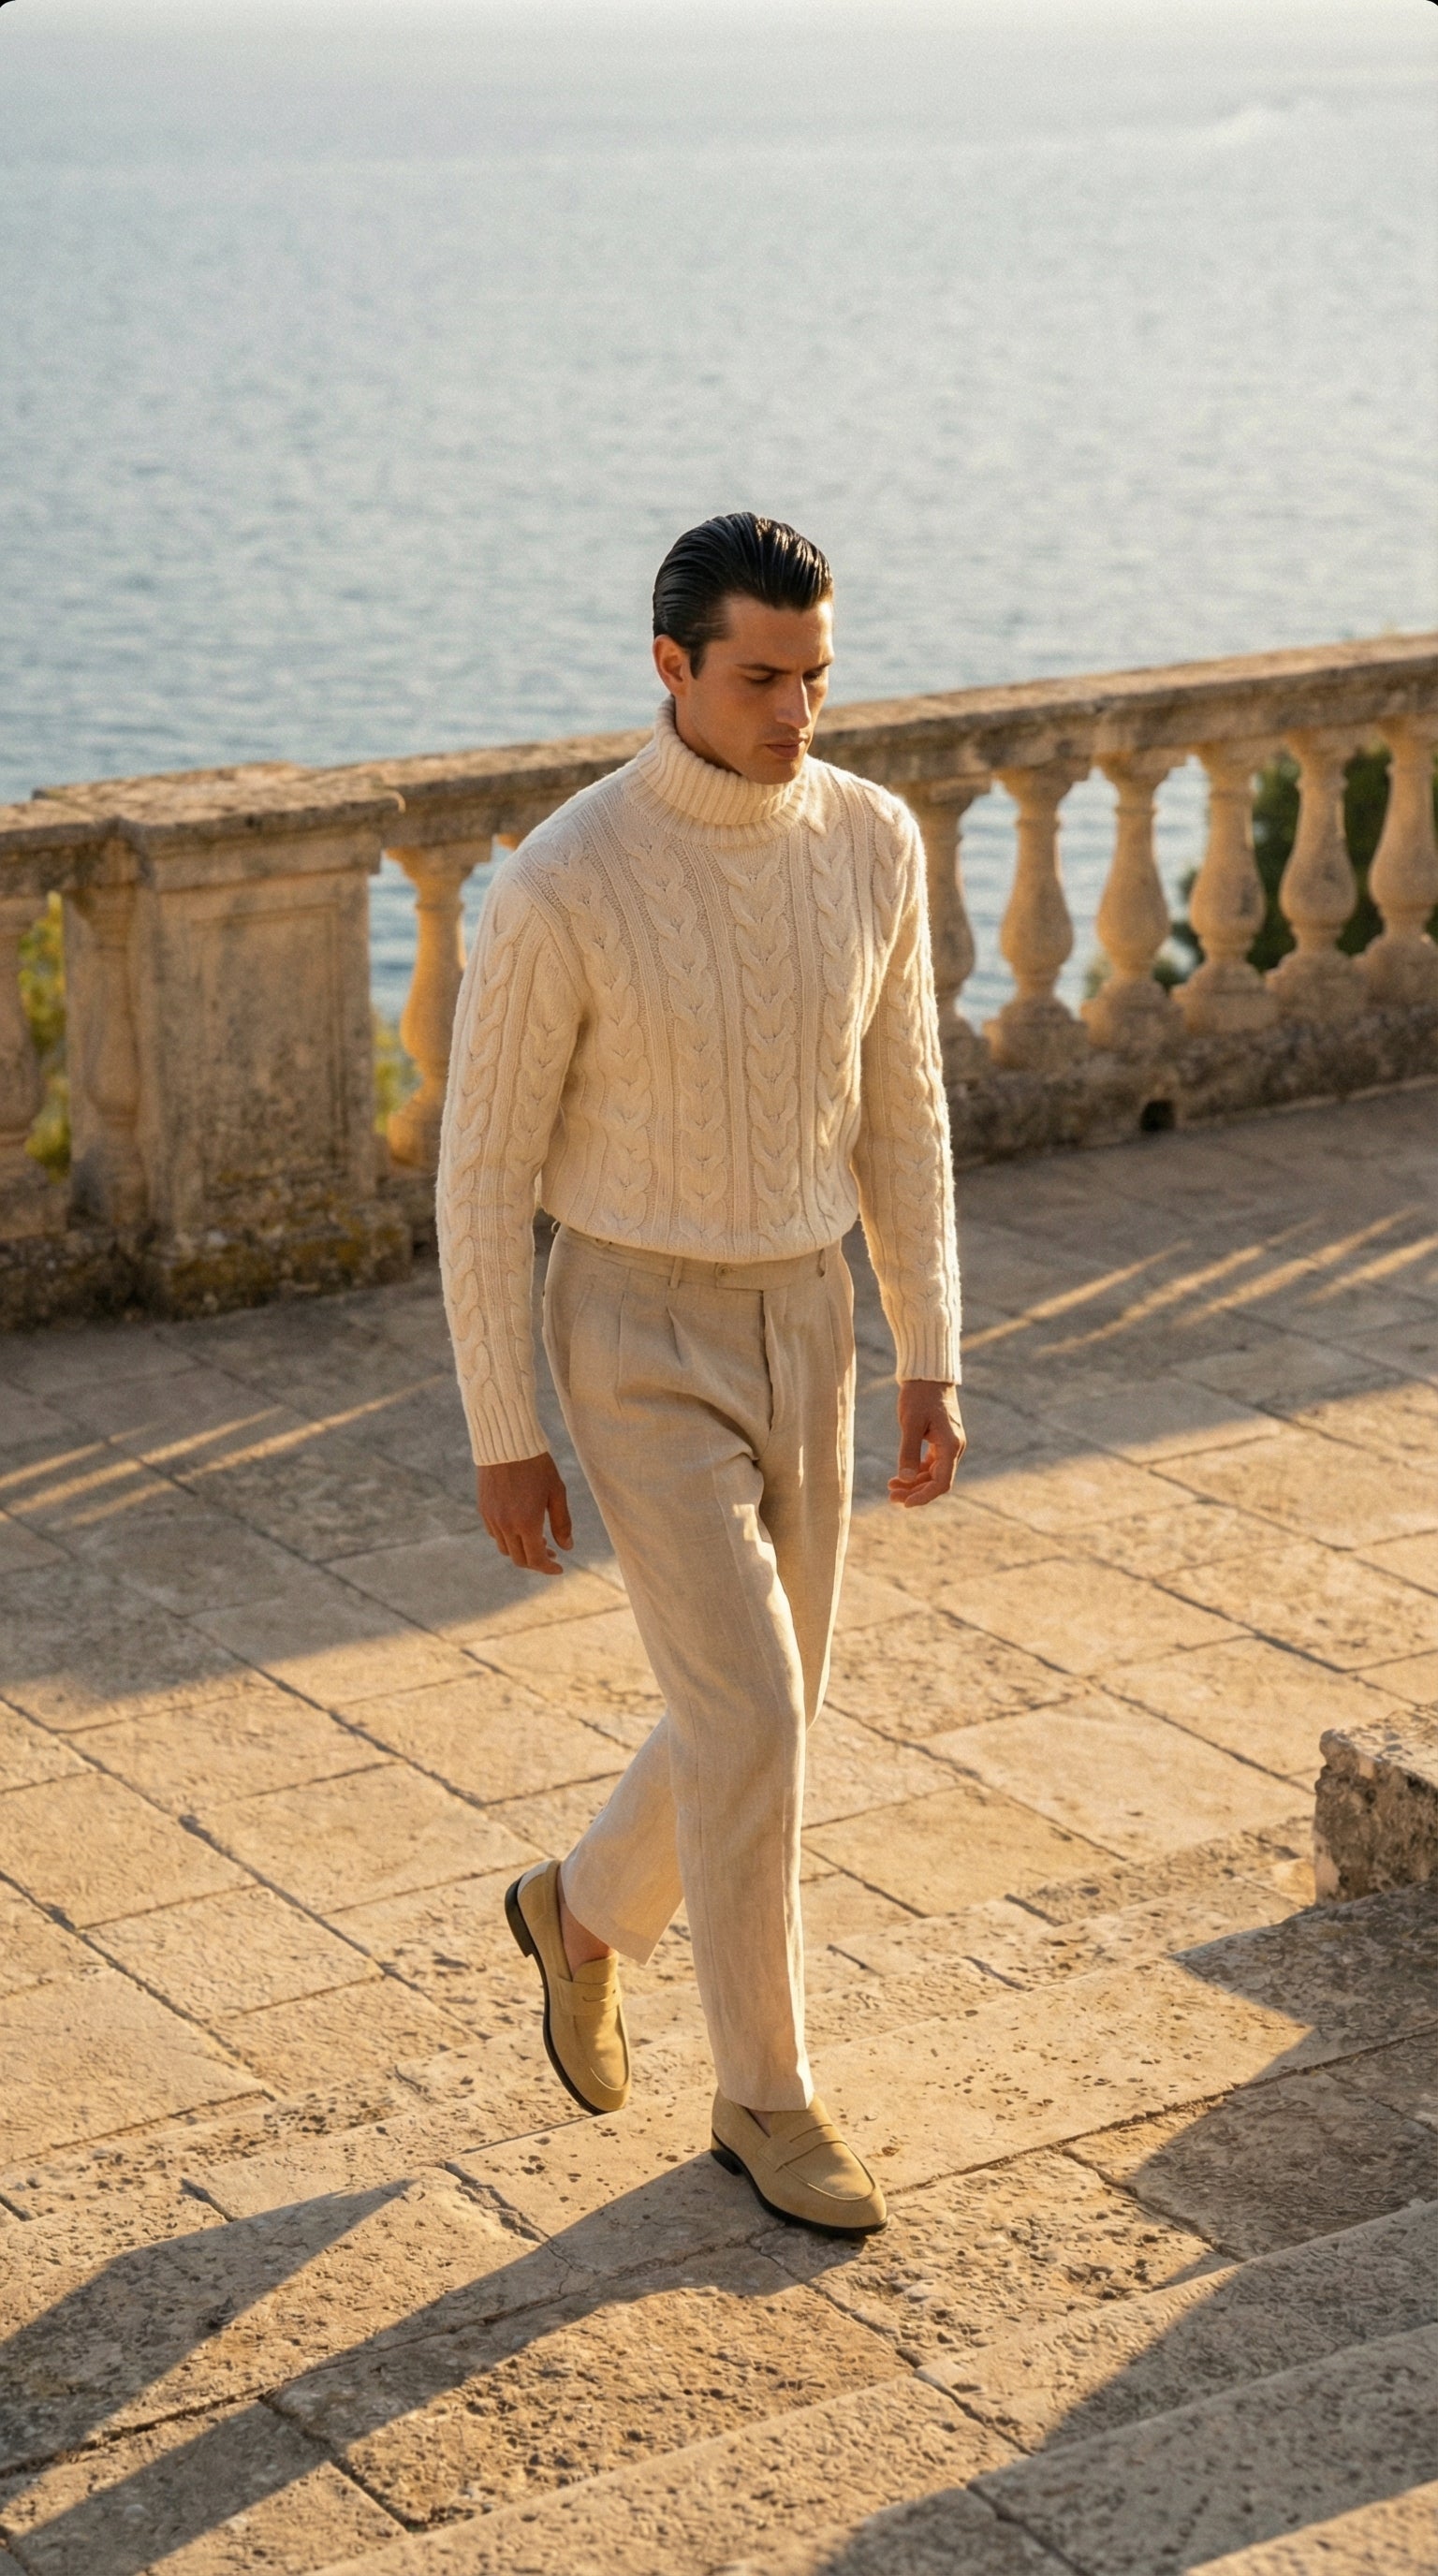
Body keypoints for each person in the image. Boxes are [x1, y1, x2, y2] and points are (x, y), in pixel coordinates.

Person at [437, 512, 963, 2238]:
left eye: (819, 674)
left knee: (767, 1708)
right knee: (750, 1710)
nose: (798, 709)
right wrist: (506, 1431)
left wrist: (928, 1350)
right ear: (670, 666)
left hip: (805, 1319)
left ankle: (578, 1915)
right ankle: (767, 2098)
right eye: (761, 677)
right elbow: (481, 1171)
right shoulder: (566, 880)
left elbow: (905, 1112)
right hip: (633, 1331)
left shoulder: (873, 839)